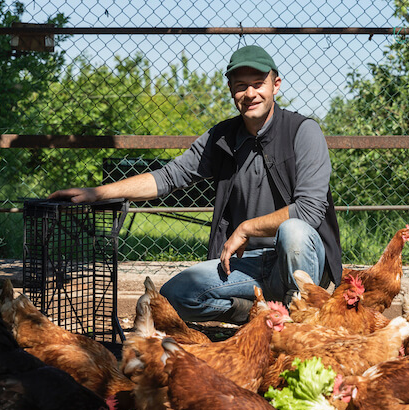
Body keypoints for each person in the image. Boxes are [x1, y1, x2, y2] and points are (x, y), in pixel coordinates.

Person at [49, 45, 342, 324]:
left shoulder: (303, 131)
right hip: (245, 264)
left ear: (275, 85)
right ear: (231, 90)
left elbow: (309, 210)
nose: (250, 93)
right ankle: (251, 314)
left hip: (298, 262)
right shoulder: (222, 137)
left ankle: (301, 320)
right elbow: (168, 176)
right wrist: (96, 193)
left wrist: (246, 228)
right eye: (240, 85)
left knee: (294, 230)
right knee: (174, 296)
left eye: (258, 83)